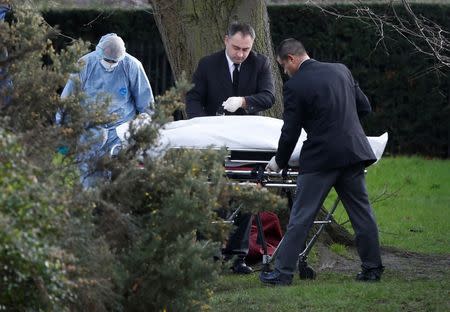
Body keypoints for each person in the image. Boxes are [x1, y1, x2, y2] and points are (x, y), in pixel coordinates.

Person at [260, 38, 384, 285]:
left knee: (301, 216)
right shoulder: (341, 70)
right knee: (362, 214)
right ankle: (372, 269)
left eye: (284, 67)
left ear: (292, 59)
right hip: (352, 153)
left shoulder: (296, 86)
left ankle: (283, 273)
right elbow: (365, 107)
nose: (285, 72)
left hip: (320, 158)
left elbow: (290, 131)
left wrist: (279, 162)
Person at [186, 22, 275, 274]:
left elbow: (269, 96)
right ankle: (209, 253)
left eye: (246, 49)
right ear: (226, 40)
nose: (240, 54)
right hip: (212, 138)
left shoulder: (260, 63)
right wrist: (201, 124)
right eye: (236, 48)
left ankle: (238, 256)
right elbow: (193, 97)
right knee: (211, 194)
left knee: (245, 196)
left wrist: (245, 101)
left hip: (246, 141)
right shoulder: (208, 64)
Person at [60, 33, 154, 188]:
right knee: (89, 182)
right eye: (107, 59)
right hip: (89, 132)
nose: (110, 64)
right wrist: (63, 136)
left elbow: (146, 104)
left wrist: (144, 125)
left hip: (120, 132)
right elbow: (67, 102)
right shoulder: (85, 64)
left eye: (114, 61)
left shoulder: (131, 66)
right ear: (98, 53)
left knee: (119, 183)